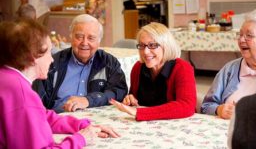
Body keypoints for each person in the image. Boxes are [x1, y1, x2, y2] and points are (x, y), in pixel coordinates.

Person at [0, 19, 119, 148]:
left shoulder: (6, 77)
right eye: (48, 52)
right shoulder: (22, 94)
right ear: (32, 56)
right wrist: (80, 139)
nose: (52, 59)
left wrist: (83, 126)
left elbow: (42, 116)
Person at [33, 14, 127, 113]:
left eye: (91, 38)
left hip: (96, 122)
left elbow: (119, 91)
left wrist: (89, 100)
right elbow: (37, 100)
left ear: (99, 41)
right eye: (79, 37)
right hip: (60, 120)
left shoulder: (109, 63)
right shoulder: (53, 63)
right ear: (71, 37)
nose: (84, 43)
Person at [201, 10, 256, 119]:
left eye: (249, 35)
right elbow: (206, 106)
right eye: (240, 34)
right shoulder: (229, 69)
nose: (241, 40)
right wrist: (219, 110)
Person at [110, 22, 196, 121]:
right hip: (145, 127)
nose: (145, 52)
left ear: (166, 46)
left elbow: (187, 106)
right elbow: (135, 99)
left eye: (152, 45)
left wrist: (140, 113)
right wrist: (130, 98)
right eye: (142, 45)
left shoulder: (182, 68)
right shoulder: (138, 68)